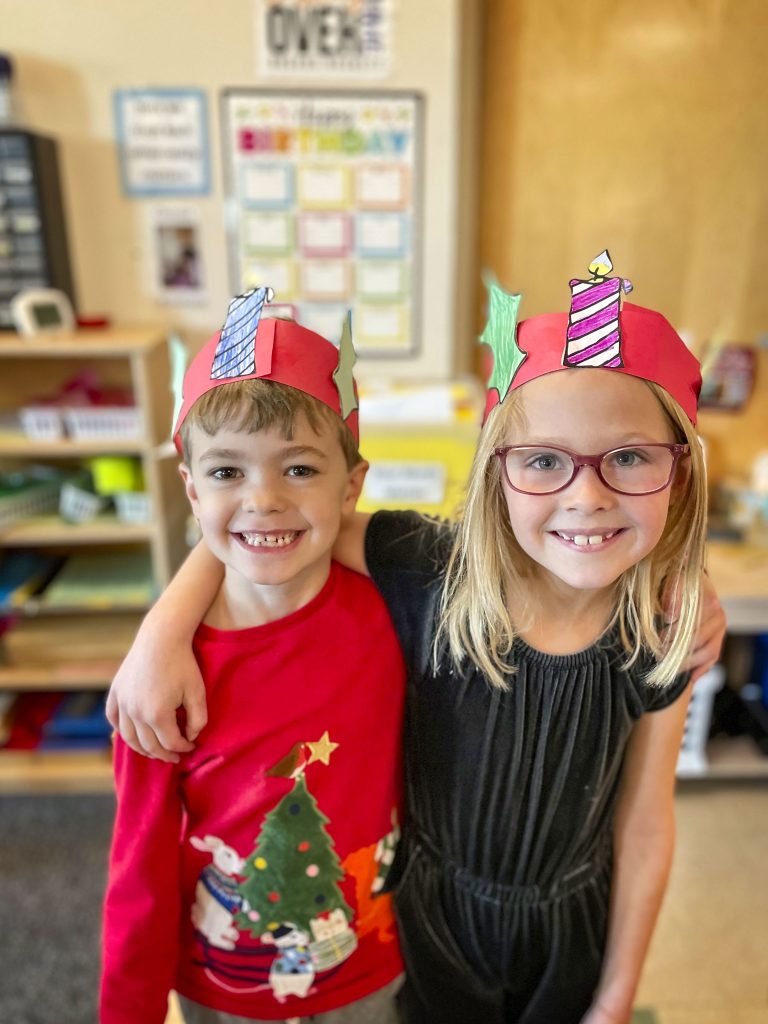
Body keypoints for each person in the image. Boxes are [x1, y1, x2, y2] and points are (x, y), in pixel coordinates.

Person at [108, 258, 727, 1024]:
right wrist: (161, 629)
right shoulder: (427, 567)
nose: (587, 496)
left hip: (572, 936)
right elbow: (269, 525)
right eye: (543, 460)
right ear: (497, 471)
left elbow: (644, 823)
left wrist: (615, 997)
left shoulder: (662, 632)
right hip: (423, 930)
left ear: (680, 475)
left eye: (629, 457)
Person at [100, 289, 406, 1024]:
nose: (263, 499)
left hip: (375, 965)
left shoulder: (400, 616)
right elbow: (136, 867)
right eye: (228, 472)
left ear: (352, 486)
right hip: (225, 989)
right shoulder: (163, 677)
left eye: (299, 469)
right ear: (191, 489)